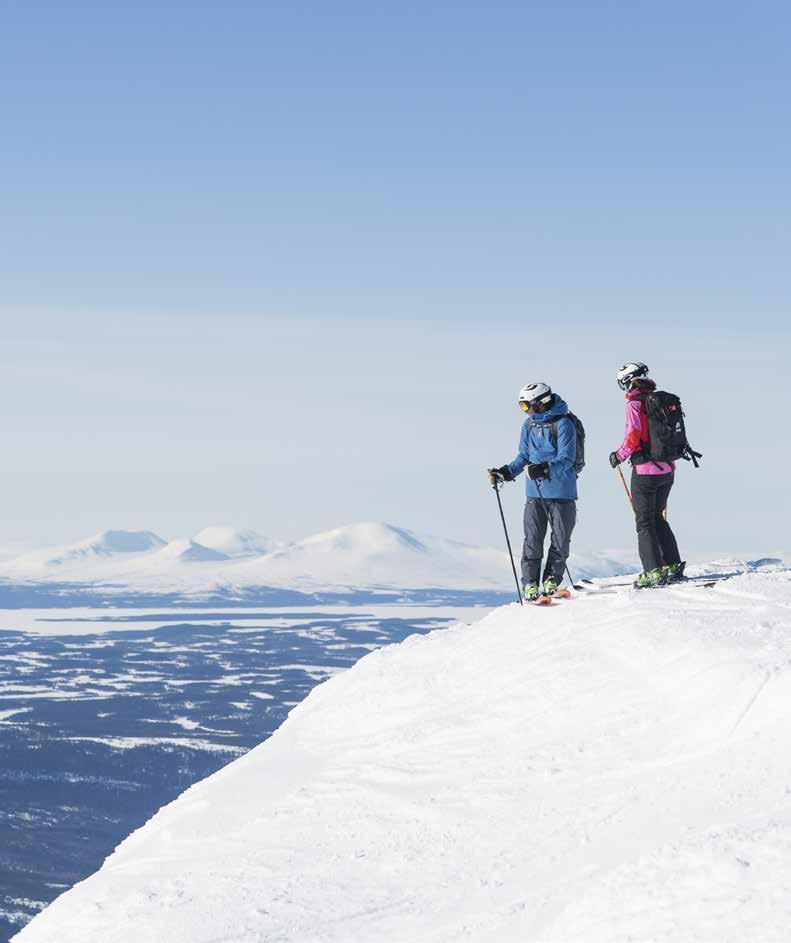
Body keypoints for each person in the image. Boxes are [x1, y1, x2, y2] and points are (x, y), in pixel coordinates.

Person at [489, 383, 578, 601]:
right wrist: (506, 472)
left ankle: (551, 581)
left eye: (526, 405)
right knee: (532, 540)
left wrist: (545, 469)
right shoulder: (528, 426)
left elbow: (567, 459)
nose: (525, 410)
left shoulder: (564, 424)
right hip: (534, 494)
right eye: (522, 406)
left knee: (560, 539)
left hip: (561, 493)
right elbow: (523, 457)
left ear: (540, 403)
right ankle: (530, 584)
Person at [608, 362, 686, 588]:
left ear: (627, 381)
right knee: (657, 517)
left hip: (645, 471)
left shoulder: (634, 404)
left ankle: (653, 572)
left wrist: (618, 455)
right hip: (668, 470)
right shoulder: (661, 401)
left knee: (644, 522)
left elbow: (633, 436)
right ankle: (672, 565)